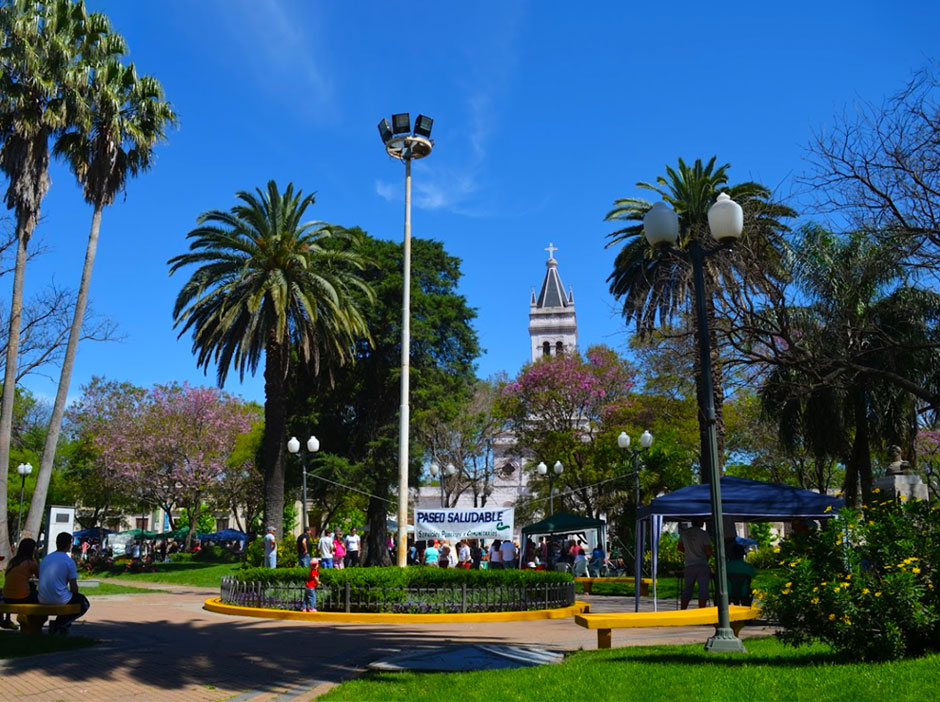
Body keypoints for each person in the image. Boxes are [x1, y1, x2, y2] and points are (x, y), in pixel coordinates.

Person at [39, 532, 90, 634]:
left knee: (70, 599)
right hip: (60, 597)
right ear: (68, 544)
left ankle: (61, 624)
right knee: (84, 603)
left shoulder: (46, 558)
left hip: (42, 598)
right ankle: (61, 623)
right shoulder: (68, 561)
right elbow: (74, 588)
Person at [2, 538, 40, 630]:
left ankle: (7, 619)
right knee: (40, 597)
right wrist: (37, 558)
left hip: (7, 597)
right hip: (22, 597)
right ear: (32, 550)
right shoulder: (30, 562)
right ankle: (29, 622)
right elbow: (40, 575)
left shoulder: (13, 562)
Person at [678, 519, 713, 610]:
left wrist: (689, 552)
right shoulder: (703, 534)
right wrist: (707, 556)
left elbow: (679, 547)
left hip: (689, 564)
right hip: (702, 564)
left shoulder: (684, 533)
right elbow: (708, 550)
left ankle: (683, 609)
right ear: (699, 522)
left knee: (688, 588)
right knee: (703, 589)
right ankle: (701, 610)